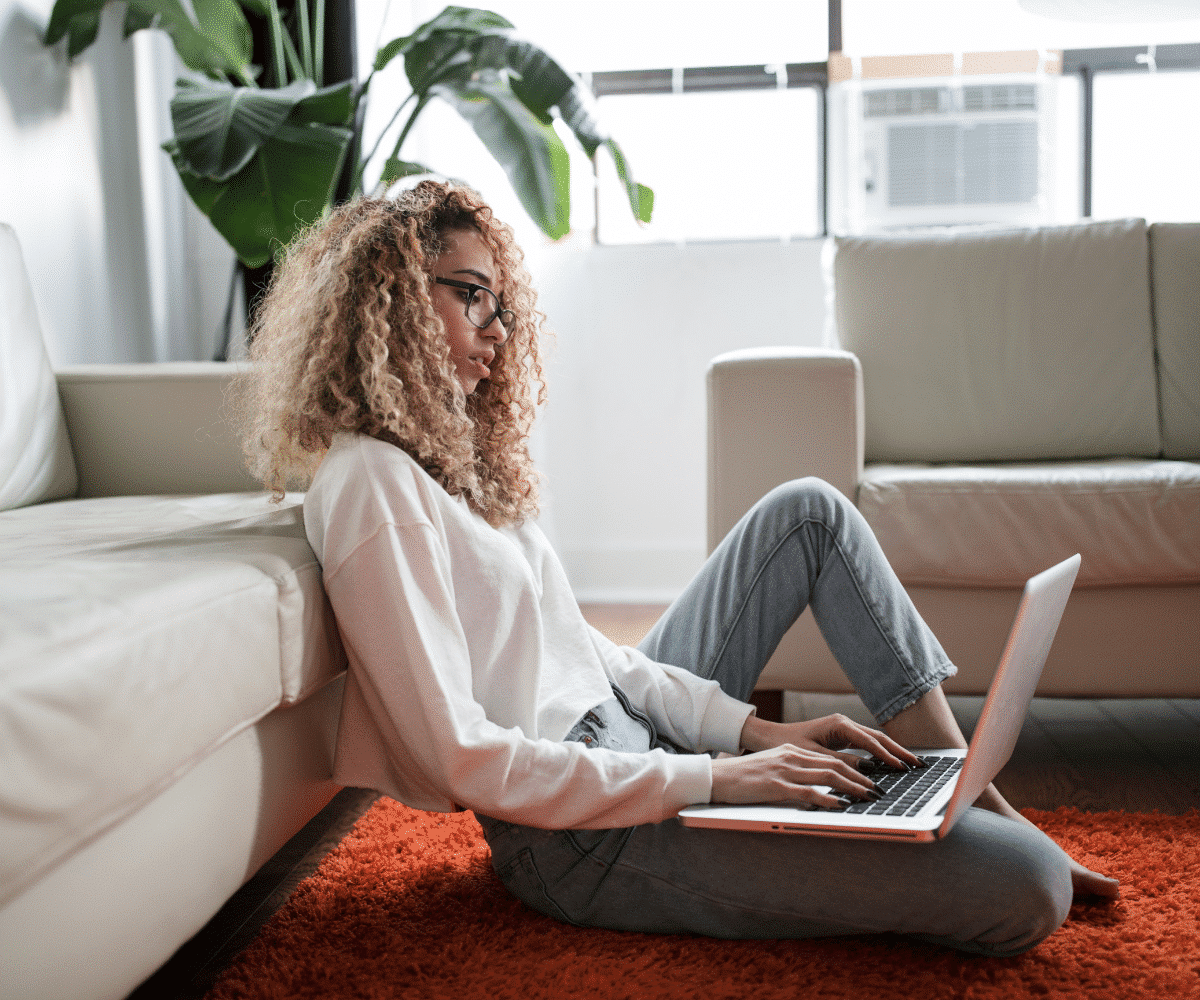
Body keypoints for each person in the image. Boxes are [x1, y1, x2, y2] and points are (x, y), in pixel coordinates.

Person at [238, 180, 1118, 955]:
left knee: (807, 511)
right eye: (471, 296)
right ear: (389, 298)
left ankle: (965, 786)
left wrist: (750, 735)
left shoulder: (448, 461)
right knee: (1029, 886)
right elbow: (460, 757)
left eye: (501, 305)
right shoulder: (371, 484)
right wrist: (714, 778)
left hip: (630, 741)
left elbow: (586, 653)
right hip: (577, 838)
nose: (496, 330)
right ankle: (977, 825)